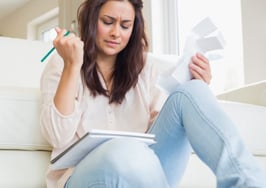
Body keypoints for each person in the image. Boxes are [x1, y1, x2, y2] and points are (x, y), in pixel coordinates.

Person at [40, 0, 266, 187]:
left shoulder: (147, 68)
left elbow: (162, 131)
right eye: (107, 22)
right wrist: (72, 65)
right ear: (91, 20)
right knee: (125, 150)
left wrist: (197, 86)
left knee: (192, 90)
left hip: (144, 171)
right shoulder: (61, 64)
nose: (115, 33)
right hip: (83, 176)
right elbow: (58, 136)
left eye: (125, 25)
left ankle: (247, 183)